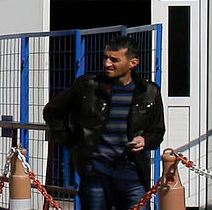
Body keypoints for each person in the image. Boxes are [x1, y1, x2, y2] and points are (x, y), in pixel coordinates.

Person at [42, 36, 166, 210]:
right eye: (106, 58)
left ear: (133, 63)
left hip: (132, 174)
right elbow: (52, 112)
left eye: (114, 60)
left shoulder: (149, 92)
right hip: (95, 173)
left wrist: (145, 140)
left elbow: (157, 131)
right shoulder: (88, 86)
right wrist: (73, 143)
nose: (107, 64)